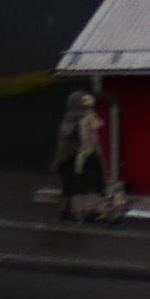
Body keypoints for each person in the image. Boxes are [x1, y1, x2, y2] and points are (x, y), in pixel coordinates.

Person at [52, 84, 115, 222]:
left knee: (92, 183)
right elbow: (66, 135)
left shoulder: (89, 115)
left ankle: (94, 211)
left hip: (88, 154)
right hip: (72, 158)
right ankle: (73, 212)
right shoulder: (71, 118)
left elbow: (94, 133)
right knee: (74, 185)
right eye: (83, 100)